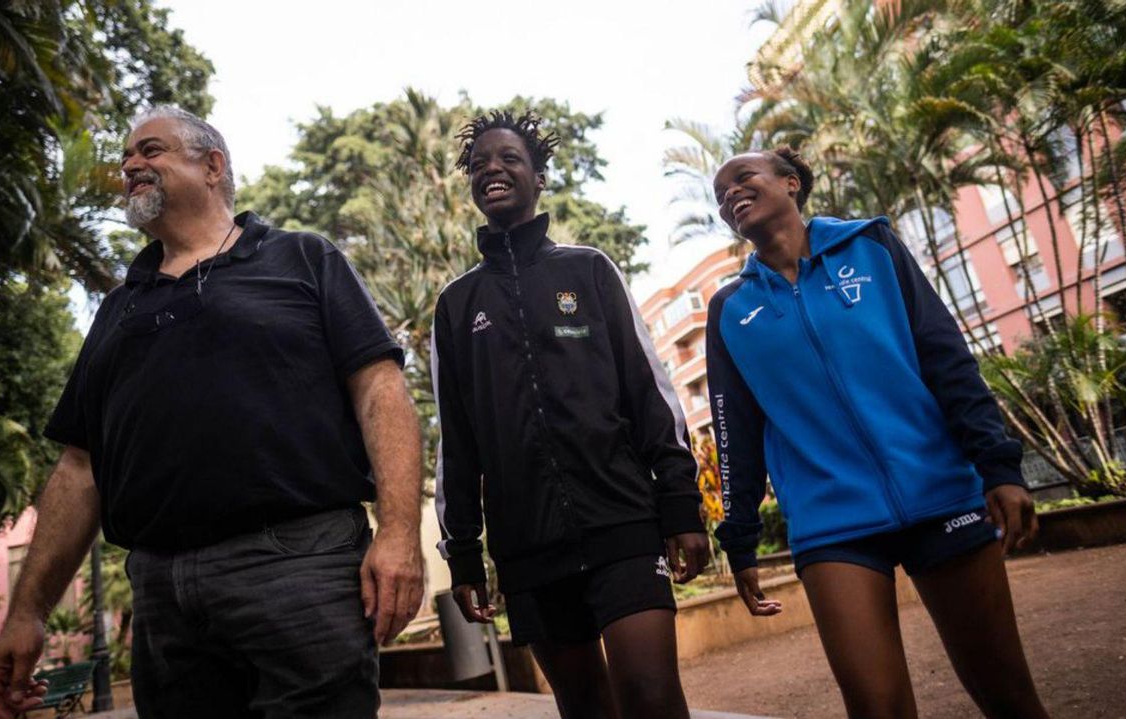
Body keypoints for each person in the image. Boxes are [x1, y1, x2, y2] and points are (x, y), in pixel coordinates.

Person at [0, 106, 425, 719]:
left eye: (151, 151)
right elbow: (79, 467)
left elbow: (380, 391)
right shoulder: (117, 309)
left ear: (212, 165)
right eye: (126, 159)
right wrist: (27, 611)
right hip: (163, 594)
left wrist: (400, 531)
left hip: (298, 567)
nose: (131, 166)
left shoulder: (301, 258)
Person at [705, 147, 1049, 718]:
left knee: (1008, 693)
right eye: (720, 195)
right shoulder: (731, 309)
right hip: (832, 522)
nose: (730, 195)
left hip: (941, 492)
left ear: (792, 183)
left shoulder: (872, 246)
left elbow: (945, 357)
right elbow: (734, 432)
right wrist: (738, 537)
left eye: (743, 178)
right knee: (876, 708)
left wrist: (998, 465)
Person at [431, 110, 709, 719]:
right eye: (479, 165)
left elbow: (649, 392)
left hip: (622, 520)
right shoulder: (456, 306)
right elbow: (457, 442)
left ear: (539, 176)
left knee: (651, 695)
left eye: (508, 159)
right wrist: (464, 554)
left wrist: (681, 503)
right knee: (583, 706)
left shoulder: (587, 269)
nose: (492, 171)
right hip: (527, 543)